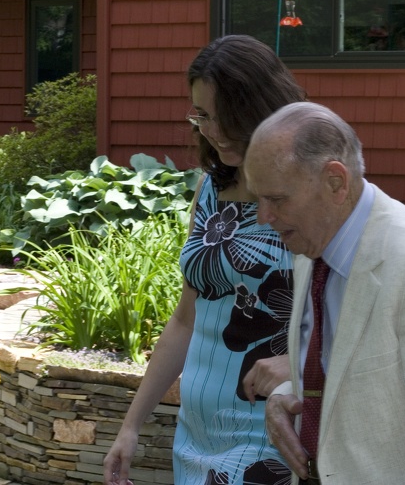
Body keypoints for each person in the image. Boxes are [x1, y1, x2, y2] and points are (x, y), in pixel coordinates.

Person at [244, 101, 405, 485]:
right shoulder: (310, 244)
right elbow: (342, 375)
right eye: (258, 199)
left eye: (276, 199)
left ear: (335, 182)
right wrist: (286, 397)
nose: (262, 217)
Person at [102, 35, 306, 485]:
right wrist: (131, 426)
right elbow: (185, 320)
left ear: (260, 108)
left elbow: (351, 315)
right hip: (196, 432)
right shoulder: (210, 189)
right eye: (201, 115)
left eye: (220, 116)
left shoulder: (306, 193)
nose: (209, 130)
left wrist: (301, 363)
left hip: (269, 429)